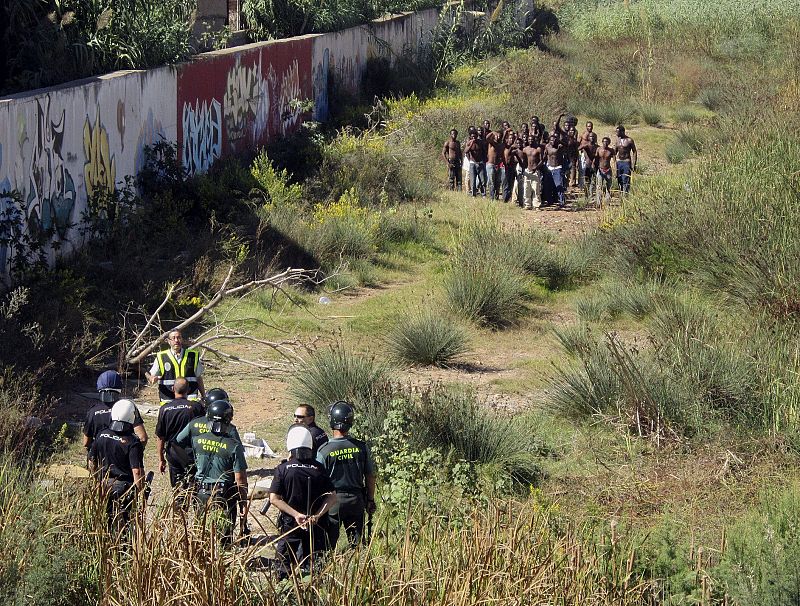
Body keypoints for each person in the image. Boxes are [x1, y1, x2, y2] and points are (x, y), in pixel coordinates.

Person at [269, 425, 338, 579]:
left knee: (283, 567)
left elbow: (274, 498)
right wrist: (317, 515)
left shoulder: (283, 469)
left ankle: (284, 593)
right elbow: (333, 497)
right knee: (315, 568)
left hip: (290, 525)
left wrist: (296, 515)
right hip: (315, 526)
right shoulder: (319, 468)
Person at [177, 398, 248, 545]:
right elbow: (240, 478)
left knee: (200, 534)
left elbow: (179, 442)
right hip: (223, 495)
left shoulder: (197, 440)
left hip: (201, 492)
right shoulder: (234, 446)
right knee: (224, 537)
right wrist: (243, 502)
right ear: (229, 420)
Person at [317, 401, 376, 549]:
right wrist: (370, 499)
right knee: (357, 546)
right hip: (357, 500)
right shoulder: (361, 447)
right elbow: (370, 476)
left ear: (332, 421)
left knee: (328, 546)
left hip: (333, 502)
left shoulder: (324, 451)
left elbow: (318, 480)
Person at [88, 399, 145, 532]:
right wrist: (140, 492)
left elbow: (92, 461)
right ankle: (123, 548)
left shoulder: (101, 434)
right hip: (124, 487)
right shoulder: (133, 442)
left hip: (104, 484)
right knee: (125, 522)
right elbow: (136, 471)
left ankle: (107, 544)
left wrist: (97, 479)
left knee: (107, 518)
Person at [156, 378, 205, 490]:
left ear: (173, 389)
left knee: (177, 489)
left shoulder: (164, 409)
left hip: (173, 454)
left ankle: (178, 506)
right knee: (195, 487)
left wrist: (161, 459)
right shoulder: (196, 407)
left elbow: (160, 437)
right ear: (188, 390)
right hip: (193, 453)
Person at [84, 370, 148, 453]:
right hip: (125, 461)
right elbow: (143, 438)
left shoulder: (92, 412)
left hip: (100, 460)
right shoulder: (127, 407)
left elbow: (86, 443)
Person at [146, 329, 206, 404]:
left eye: (178, 337)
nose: (176, 340)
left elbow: (198, 378)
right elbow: (152, 377)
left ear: (182, 339)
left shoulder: (192, 356)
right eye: (173, 338)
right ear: (168, 341)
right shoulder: (161, 357)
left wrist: (204, 396)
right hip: (168, 400)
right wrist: (153, 379)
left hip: (189, 400)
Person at [518, 136, 544, 210]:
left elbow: (542, 160)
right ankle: (527, 205)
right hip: (527, 171)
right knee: (526, 189)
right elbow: (524, 161)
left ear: (534, 140)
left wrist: (536, 168)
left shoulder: (538, 149)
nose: (530, 141)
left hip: (535, 171)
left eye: (532, 139)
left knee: (536, 189)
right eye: (529, 139)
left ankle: (536, 205)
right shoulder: (525, 149)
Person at [544, 133, 566, 207]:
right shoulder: (547, 147)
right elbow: (544, 156)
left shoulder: (559, 147)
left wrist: (559, 141)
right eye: (551, 140)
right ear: (549, 141)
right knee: (549, 185)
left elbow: (566, 144)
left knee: (559, 185)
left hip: (557, 168)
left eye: (554, 140)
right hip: (549, 168)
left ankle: (561, 201)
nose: (552, 141)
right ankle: (550, 201)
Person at [614, 125, 637, 194]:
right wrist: (614, 163)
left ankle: (626, 195)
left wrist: (634, 164)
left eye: (617, 132)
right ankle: (621, 194)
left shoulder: (629, 140)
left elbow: (634, 151)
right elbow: (614, 153)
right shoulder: (617, 141)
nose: (616, 133)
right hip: (619, 162)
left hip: (626, 162)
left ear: (622, 132)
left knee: (626, 179)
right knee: (619, 179)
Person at [594, 136, 616, 207]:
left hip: (608, 170)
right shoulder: (599, 149)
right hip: (600, 169)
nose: (605, 143)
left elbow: (614, 160)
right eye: (604, 142)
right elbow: (596, 158)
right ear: (602, 142)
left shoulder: (611, 150)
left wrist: (615, 169)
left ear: (609, 143)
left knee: (608, 187)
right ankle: (598, 203)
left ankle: (607, 202)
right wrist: (594, 166)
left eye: (607, 142)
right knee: (599, 187)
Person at [578, 132, 599, 204]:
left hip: (595, 166)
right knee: (587, 181)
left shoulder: (597, 147)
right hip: (587, 166)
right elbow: (578, 148)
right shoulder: (586, 145)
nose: (592, 138)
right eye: (590, 137)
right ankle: (586, 196)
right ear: (588, 138)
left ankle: (593, 196)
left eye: (593, 137)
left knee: (595, 182)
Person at [485, 129, 505, 201]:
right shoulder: (492, 143)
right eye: (497, 136)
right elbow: (487, 138)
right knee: (491, 182)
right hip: (491, 165)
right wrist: (493, 132)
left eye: (499, 136)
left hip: (498, 165)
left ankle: (496, 197)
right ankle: (491, 198)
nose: (498, 137)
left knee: (497, 182)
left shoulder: (501, 145)